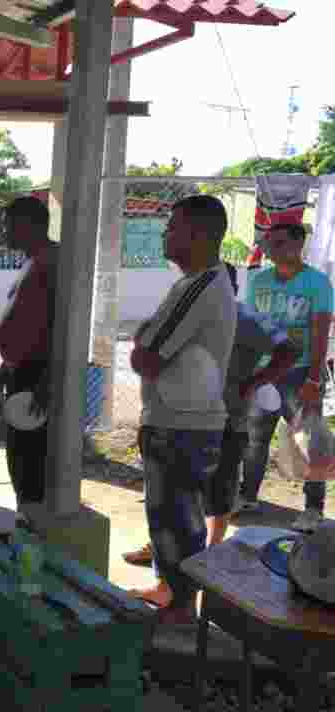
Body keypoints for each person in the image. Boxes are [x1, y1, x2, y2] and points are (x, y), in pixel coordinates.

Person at [124, 264, 297, 606]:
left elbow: (288, 348)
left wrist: (255, 381)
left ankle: (205, 563)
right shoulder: (196, 314)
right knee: (182, 500)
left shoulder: (244, 317)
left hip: (222, 423)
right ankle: (173, 563)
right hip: (190, 421)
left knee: (209, 497)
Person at [129, 195, 236, 624]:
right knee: (166, 515)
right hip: (176, 420)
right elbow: (147, 344)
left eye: (172, 228)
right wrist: (144, 342)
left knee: (179, 520)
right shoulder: (193, 283)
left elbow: (146, 355)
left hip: (183, 425)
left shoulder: (203, 286)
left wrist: (143, 343)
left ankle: (180, 608)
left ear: (199, 234)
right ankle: (167, 588)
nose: (164, 234)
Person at [240, 222, 334, 532]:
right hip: (264, 373)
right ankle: (247, 496)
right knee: (255, 438)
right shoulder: (259, 281)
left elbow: (321, 332)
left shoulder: (317, 283)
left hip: (300, 374)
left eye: (279, 243)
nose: (271, 249)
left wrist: (314, 379)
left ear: (298, 245)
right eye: (269, 243)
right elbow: (250, 328)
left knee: (309, 441)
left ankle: (312, 509)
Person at [0, 196, 57, 533]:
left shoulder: (52, 261)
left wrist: (47, 379)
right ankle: (26, 525)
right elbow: (23, 332)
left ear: (29, 225)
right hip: (20, 374)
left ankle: (34, 536)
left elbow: (62, 327)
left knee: (31, 464)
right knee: (18, 458)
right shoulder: (32, 262)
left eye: (8, 225)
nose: (4, 231)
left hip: (37, 377)